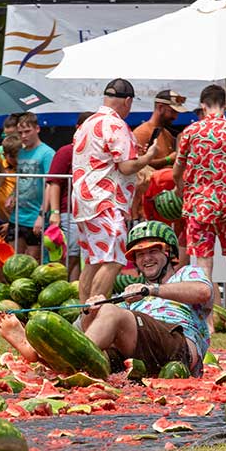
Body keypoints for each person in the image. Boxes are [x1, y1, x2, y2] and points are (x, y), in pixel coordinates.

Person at [0, 220, 212, 377]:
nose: (146, 258)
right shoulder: (132, 292)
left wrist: (152, 291)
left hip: (178, 347)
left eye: (153, 251)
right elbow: (88, 330)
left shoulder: (186, 274)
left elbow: (203, 292)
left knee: (112, 314)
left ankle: (46, 357)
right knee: (100, 319)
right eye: (139, 254)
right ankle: (41, 356)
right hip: (140, 356)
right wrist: (90, 312)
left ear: (169, 253)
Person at [173, 84, 226, 333]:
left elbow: (177, 169)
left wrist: (181, 189)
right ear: (225, 105)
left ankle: (207, 323)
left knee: (204, 265)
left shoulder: (191, 131)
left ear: (202, 105)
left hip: (199, 205)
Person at [72, 78, 156, 304]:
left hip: (84, 202)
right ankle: (95, 316)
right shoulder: (116, 124)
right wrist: (147, 158)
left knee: (93, 261)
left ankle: (84, 320)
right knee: (114, 260)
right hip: (105, 201)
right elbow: (127, 166)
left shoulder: (87, 123)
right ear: (127, 101)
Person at [47, 112, 93, 280]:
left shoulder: (96, 153)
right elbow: (54, 183)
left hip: (90, 212)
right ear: (77, 128)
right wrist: (55, 212)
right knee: (70, 256)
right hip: (69, 212)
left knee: (83, 256)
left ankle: (74, 292)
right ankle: (64, 290)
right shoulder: (66, 151)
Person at [7, 112, 55, 260]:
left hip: (35, 215)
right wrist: (12, 196)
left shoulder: (47, 153)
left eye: (27, 131)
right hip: (17, 215)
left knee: (33, 260)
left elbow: (50, 184)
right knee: (13, 260)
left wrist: (42, 215)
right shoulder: (20, 152)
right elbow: (19, 178)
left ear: (37, 129)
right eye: (20, 133)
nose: (23, 136)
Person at [132, 90, 187, 171]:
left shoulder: (167, 134)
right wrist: (168, 159)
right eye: (172, 112)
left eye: (177, 113)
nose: (175, 117)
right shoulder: (141, 133)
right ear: (160, 107)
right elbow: (138, 165)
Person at [0, 135, 21, 236]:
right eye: (12, 156)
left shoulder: (24, 170)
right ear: (4, 154)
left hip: (15, 221)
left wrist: (11, 224)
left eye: (18, 155)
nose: (16, 159)